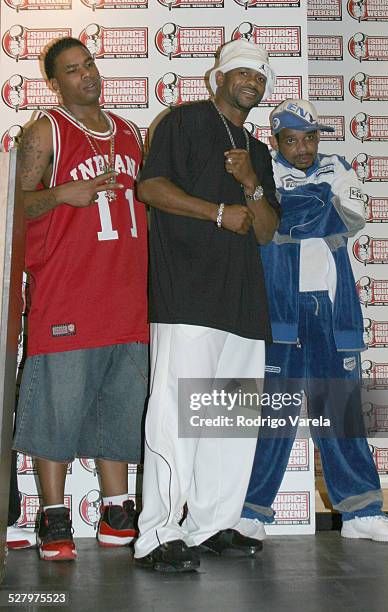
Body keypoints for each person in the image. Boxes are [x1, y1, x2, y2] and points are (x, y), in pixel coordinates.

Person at [133, 39, 279, 572]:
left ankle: (212, 523)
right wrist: (219, 211)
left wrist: (249, 185)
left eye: (261, 76)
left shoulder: (258, 150)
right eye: (243, 72)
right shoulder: (184, 121)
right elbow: (149, 189)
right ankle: (157, 534)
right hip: (187, 298)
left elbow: (265, 232)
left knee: (228, 424)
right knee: (176, 419)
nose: (253, 81)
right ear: (218, 76)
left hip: (242, 304)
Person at [236, 99, 388, 546]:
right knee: (274, 417)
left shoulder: (338, 165)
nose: (304, 147)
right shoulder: (261, 171)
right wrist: (311, 208)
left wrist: (289, 212)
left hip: (332, 310)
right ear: (276, 141)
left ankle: (361, 513)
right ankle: (250, 514)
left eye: (310, 137)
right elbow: (264, 226)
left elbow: (351, 217)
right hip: (280, 311)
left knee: (340, 414)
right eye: (292, 139)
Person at [12, 37, 149, 561]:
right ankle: (53, 515)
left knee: (120, 407)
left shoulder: (130, 132)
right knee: (57, 409)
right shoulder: (46, 130)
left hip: (127, 296)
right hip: (68, 294)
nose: (86, 75)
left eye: (89, 64)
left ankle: (117, 511)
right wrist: (61, 195)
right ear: (55, 82)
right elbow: (15, 208)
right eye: (72, 70)